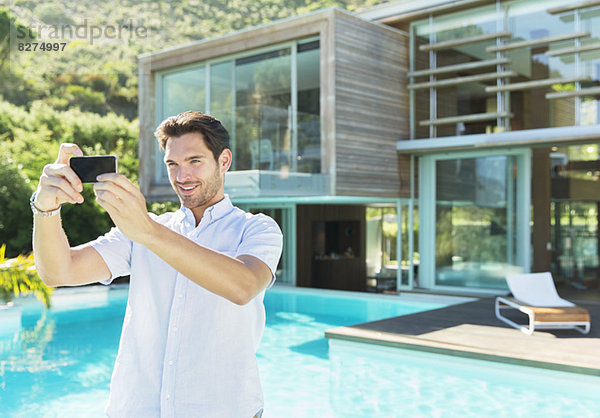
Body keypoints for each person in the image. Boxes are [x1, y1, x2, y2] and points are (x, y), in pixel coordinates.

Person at [31, 111, 283, 417]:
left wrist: (147, 232)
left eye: (195, 161)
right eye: (172, 164)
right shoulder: (141, 228)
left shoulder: (257, 228)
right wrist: (45, 208)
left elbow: (244, 286)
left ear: (224, 161)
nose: (182, 176)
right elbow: (59, 271)